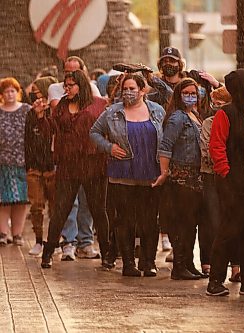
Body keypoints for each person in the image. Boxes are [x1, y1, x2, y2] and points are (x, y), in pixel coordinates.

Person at [90, 73, 165, 277]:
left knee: (149, 219)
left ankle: (148, 261)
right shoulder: (113, 112)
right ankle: (128, 263)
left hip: (150, 172)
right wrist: (109, 147)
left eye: (133, 88)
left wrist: (165, 168)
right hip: (121, 173)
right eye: (125, 88)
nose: (128, 92)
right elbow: (94, 132)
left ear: (143, 90)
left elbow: (165, 140)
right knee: (124, 220)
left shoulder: (157, 111)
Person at [40, 70, 112, 269]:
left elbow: (108, 130)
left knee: (98, 210)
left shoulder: (98, 104)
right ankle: (48, 252)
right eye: (66, 85)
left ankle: (107, 254)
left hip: (94, 164)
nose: (67, 89)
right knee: (61, 209)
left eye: (71, 85)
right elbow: (51, 129)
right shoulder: (62, 105)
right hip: (68, 165)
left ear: (81, 85)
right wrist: (40, 118)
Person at [206, 69, 244, 296]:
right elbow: (217, 147)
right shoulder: (227, 114)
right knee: (229, 230)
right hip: (234, 182)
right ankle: (216, 280)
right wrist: (227, 174)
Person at [154, 78, 205, 280]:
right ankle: (180, 265)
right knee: (183, 222)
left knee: (191, 223)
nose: (191, 96)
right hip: (180, 177)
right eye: (187, 93)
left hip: (194, 177)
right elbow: (165, 146)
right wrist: (165, 172)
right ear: (179, 95)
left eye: (194, 93)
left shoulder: (195, 115)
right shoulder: (177, 118)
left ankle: (189, 263)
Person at [199, 86, 241, 280]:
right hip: (213, 175)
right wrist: (223, 166)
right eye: (214, 103)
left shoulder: (239, 120)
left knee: (234, 221)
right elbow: (209, 149)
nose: (216, 107)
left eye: (220, 103)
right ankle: (216, 267)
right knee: (216, 221)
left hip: (236, 177)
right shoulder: (208, 123)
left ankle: (236, 266)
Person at [25, 76, 58, 255]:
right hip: (35, 168)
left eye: (36, 92)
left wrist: (42, 116)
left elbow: (52, 136)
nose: (34, 97)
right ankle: (38, 240)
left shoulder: (55, 111)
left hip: (52, 167)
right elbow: (29, 140)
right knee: (36, 206)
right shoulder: (30, 114)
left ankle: (54, 241)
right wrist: (29, 165)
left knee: (55, 207)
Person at [0, 77, 31, 246]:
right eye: (6, 91)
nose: (10, 94)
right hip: (2, 162)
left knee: (21, 200)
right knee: (3, 200)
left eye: (13, 90)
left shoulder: (26, 110)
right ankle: (3, 233)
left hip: (23, 161)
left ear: (18, 92)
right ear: (2, 95)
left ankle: (17, 234)